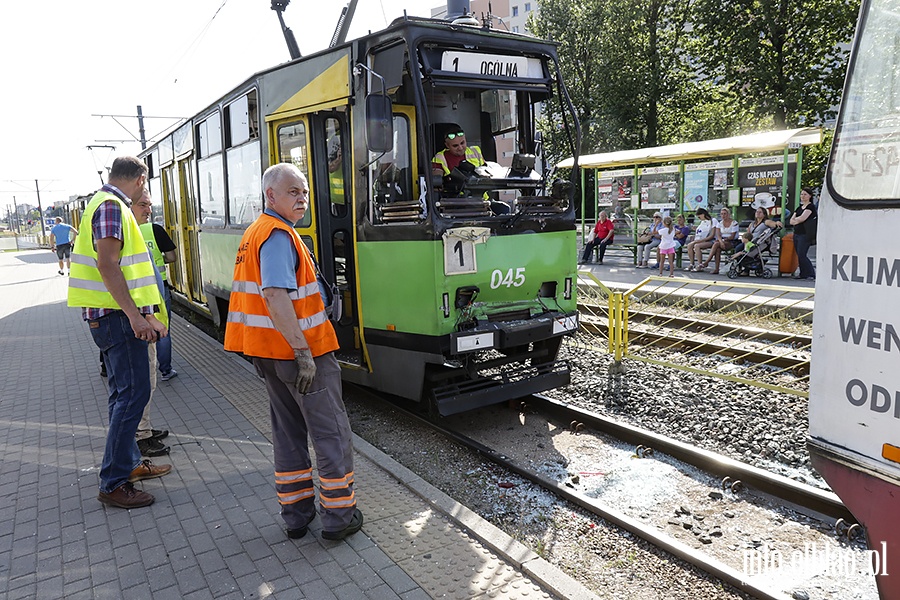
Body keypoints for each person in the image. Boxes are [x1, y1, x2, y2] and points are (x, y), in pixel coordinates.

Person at [224, 163, 362, 541]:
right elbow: (274, 294)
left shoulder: (255, 232)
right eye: (292, 192)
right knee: (331, 433)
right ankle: (338, 517)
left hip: (268, 354)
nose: (301, 198)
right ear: (271, 195)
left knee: (287, 434)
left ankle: (297, 516)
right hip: (302, 356)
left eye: (303, 192)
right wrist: (303, 352)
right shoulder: (278, 236)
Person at [68, 156, 172, 509]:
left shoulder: (104, 203)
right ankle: (113, 482)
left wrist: (144, 313)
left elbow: (121, 269)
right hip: (116, 318)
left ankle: (128, 465)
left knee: (121, 396)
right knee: (133, 395)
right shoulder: (112, 206)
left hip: (113, 317)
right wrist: (137, 317)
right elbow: (108, 265)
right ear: (141, 178)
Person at [131, 189, 172, 457]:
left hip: (149, 321)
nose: (149, 209)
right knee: (142, 381)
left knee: (150, 379)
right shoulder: (129, 237)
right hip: (141, 326)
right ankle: (141, 437)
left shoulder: (137, 234)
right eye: (143, 204)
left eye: (149, 204)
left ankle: (144, 429)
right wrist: (145, 317)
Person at [138, 196, 178, 381]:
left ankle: (144, 370)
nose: (149, 210)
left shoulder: (124, 231)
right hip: (158, 286)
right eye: (144, 205)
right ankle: (166, 370)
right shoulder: (155, 230)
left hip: (135, 289)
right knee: (163, 327)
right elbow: (171, 256)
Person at [698, 207, 739, 274]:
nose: (723, 216)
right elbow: (718, 234)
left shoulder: (734, 223)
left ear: (728, 214)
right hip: (721, 241)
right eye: (722, 214)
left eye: (725, 214)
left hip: (731, 241)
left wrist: (723, 240)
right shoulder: (720, 223)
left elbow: (732, 236)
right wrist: (721, 241)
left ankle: (707, 262)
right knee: (717, 249)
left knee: (716, 244)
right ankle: (716, 269)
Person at [789, 187, 817, 280]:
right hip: (797, 233)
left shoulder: (810, 207)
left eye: (805, 194)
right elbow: (791, 220)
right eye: (802, 194)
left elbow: (802, 218)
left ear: (810, 196)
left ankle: (811, 273)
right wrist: (796, 221)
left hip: (805, 234)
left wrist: (796, 220)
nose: (803, 196)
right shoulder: (799, 208)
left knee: (802, 254)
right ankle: (803, 273)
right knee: (799, 254)